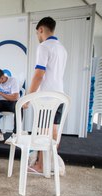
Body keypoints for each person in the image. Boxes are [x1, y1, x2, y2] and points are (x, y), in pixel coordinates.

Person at [27, 17, 67, 173]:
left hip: (46, 98)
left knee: (43, 132)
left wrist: (28, 98)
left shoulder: (44, 47)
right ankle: (50, 163)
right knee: (55, 131)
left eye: (37, 32)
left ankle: (41, 165)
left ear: (41, 29)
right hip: (60, 96)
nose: (38, 35)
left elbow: (39, 74)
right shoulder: (62, 49)